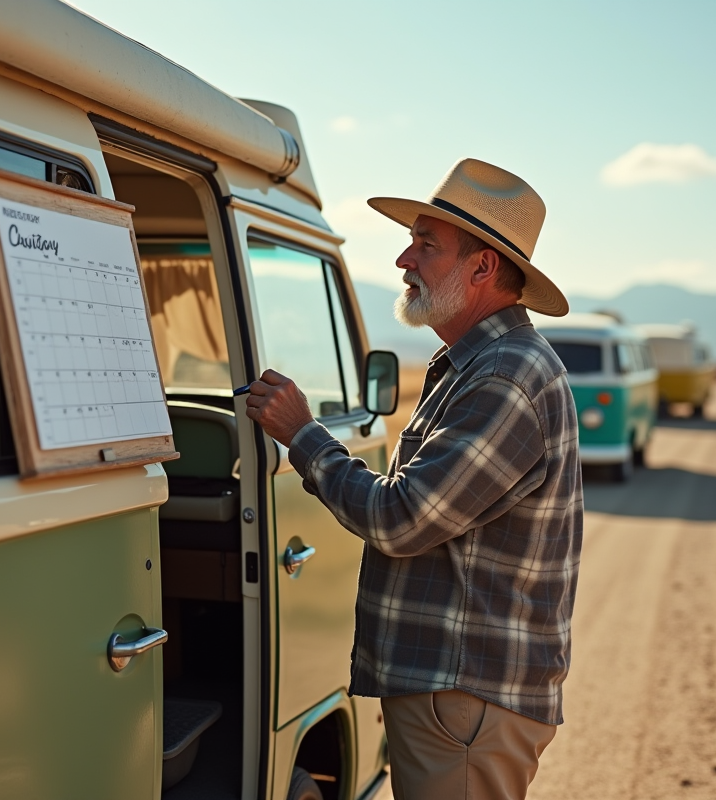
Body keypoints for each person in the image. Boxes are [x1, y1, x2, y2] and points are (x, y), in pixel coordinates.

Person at [245, 158, 583, 799]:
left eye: (426, 245)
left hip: (464, 695)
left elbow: (402, 519)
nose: (405, 260)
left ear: (482, 267)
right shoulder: (481, 364)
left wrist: (302, 433)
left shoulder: (505, 375)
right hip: (459, 695)